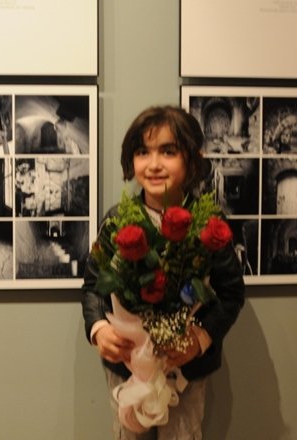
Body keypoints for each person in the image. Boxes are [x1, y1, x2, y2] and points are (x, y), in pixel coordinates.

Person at [81, 105, 246, 439]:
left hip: (185, 367)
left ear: (191, 160)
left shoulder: (209, 222)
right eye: (143, 152)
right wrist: (99, 329)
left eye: (168, 151)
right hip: (127, 363)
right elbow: (94, 286)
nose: (154, 164)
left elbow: (231, 292)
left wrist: (199, 339)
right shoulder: (117, 220)